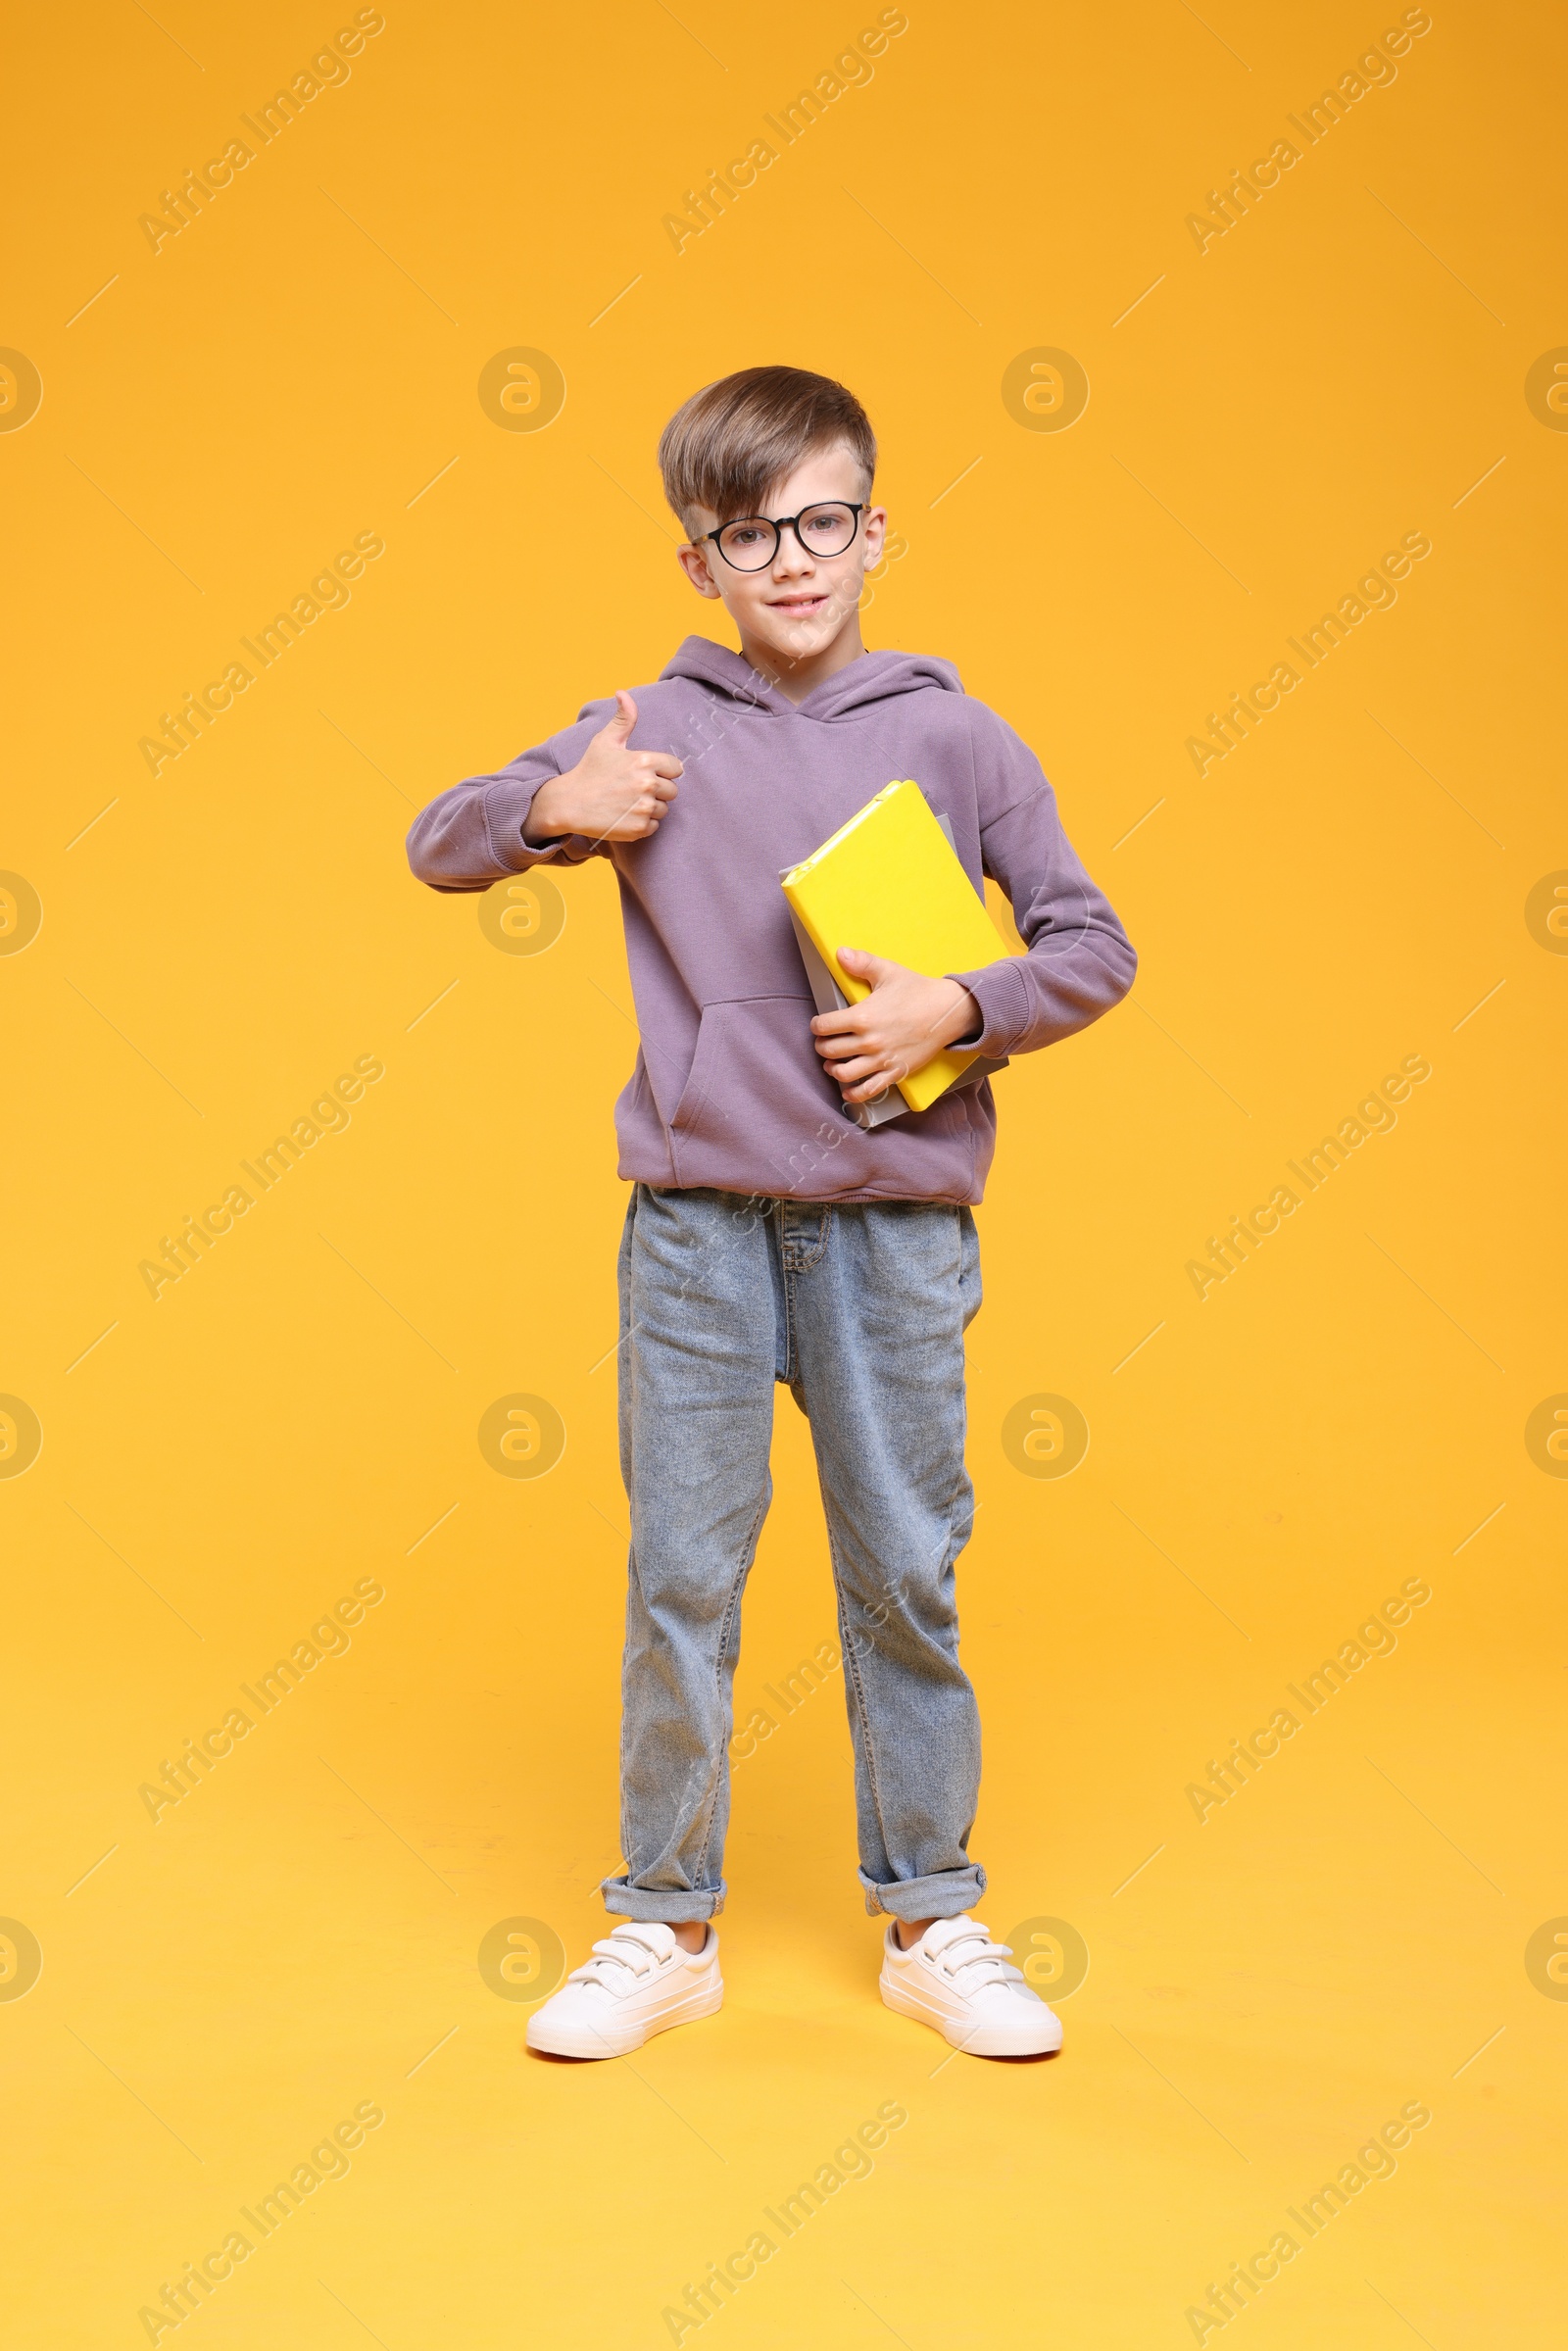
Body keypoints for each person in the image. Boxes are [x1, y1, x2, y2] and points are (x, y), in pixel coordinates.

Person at [407, 365, 1135, 2061]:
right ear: (698, 562)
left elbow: (1092, 946)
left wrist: (957, 1009)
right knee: (683, 1573)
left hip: (892, 1229)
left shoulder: (958, 735)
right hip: (698, 1233)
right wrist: (545, 813)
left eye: (821, 523)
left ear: (876, 529)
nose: (791, 560)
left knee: (902, 1570)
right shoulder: (641, 730)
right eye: (748, 534)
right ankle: (662, 1926)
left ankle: (930, 1913)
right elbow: (434, 842)